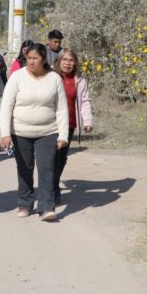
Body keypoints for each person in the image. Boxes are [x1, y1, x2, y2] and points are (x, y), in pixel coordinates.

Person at [0, 43, 69, 221]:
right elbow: (6, 106)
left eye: (35, 58)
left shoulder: (54, 79)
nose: (31, 62)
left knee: (47, 169)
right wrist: (5, 134)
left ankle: (46, 207)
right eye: (29, 58)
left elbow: (61, 109)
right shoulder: (17, 77)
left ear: (43, 59)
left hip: (48, 131)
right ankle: (25, 203)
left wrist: (63, 135)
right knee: (25, 168)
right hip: (20, 131)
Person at [52, 48, 93, 204]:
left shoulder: (80, 80)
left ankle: (54, 183)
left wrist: (88, 121)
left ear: (75, 62)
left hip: (69, 124)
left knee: (61, 158)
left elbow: (84, 102)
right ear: (58, 61)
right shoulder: (51, 77)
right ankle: (53, 188)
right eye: (64, 60)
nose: (68, 63)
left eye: (71, 60)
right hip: (51, 124)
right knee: (52, 157)